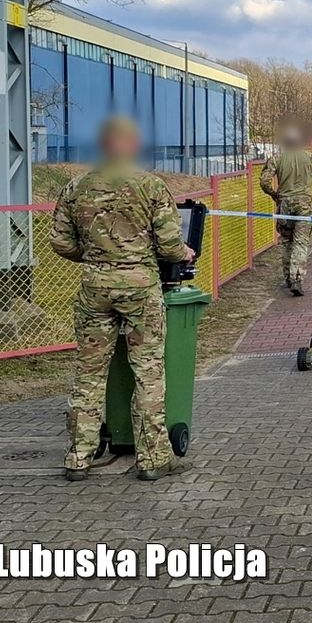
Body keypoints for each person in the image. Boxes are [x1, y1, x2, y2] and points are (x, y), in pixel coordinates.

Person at [50, 116, 195, 482]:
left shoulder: (75, 186)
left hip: (94, 287)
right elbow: (168, 244)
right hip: (140, 287)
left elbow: (61, 242)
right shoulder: (150, 186)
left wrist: (98, 259)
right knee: (147, 370)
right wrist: (185, 254)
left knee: (88, 373)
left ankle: (78, 457)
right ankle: (153, 459)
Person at [259, 127, 312, 296]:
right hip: (304, 205)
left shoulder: (277, 159)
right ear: (300, 142)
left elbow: (264, 181)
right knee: (300, 241)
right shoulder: (311, 158)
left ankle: (287, 277)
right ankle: (297, 277)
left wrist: (274, 194)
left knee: (286, 241)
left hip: (285, 205)